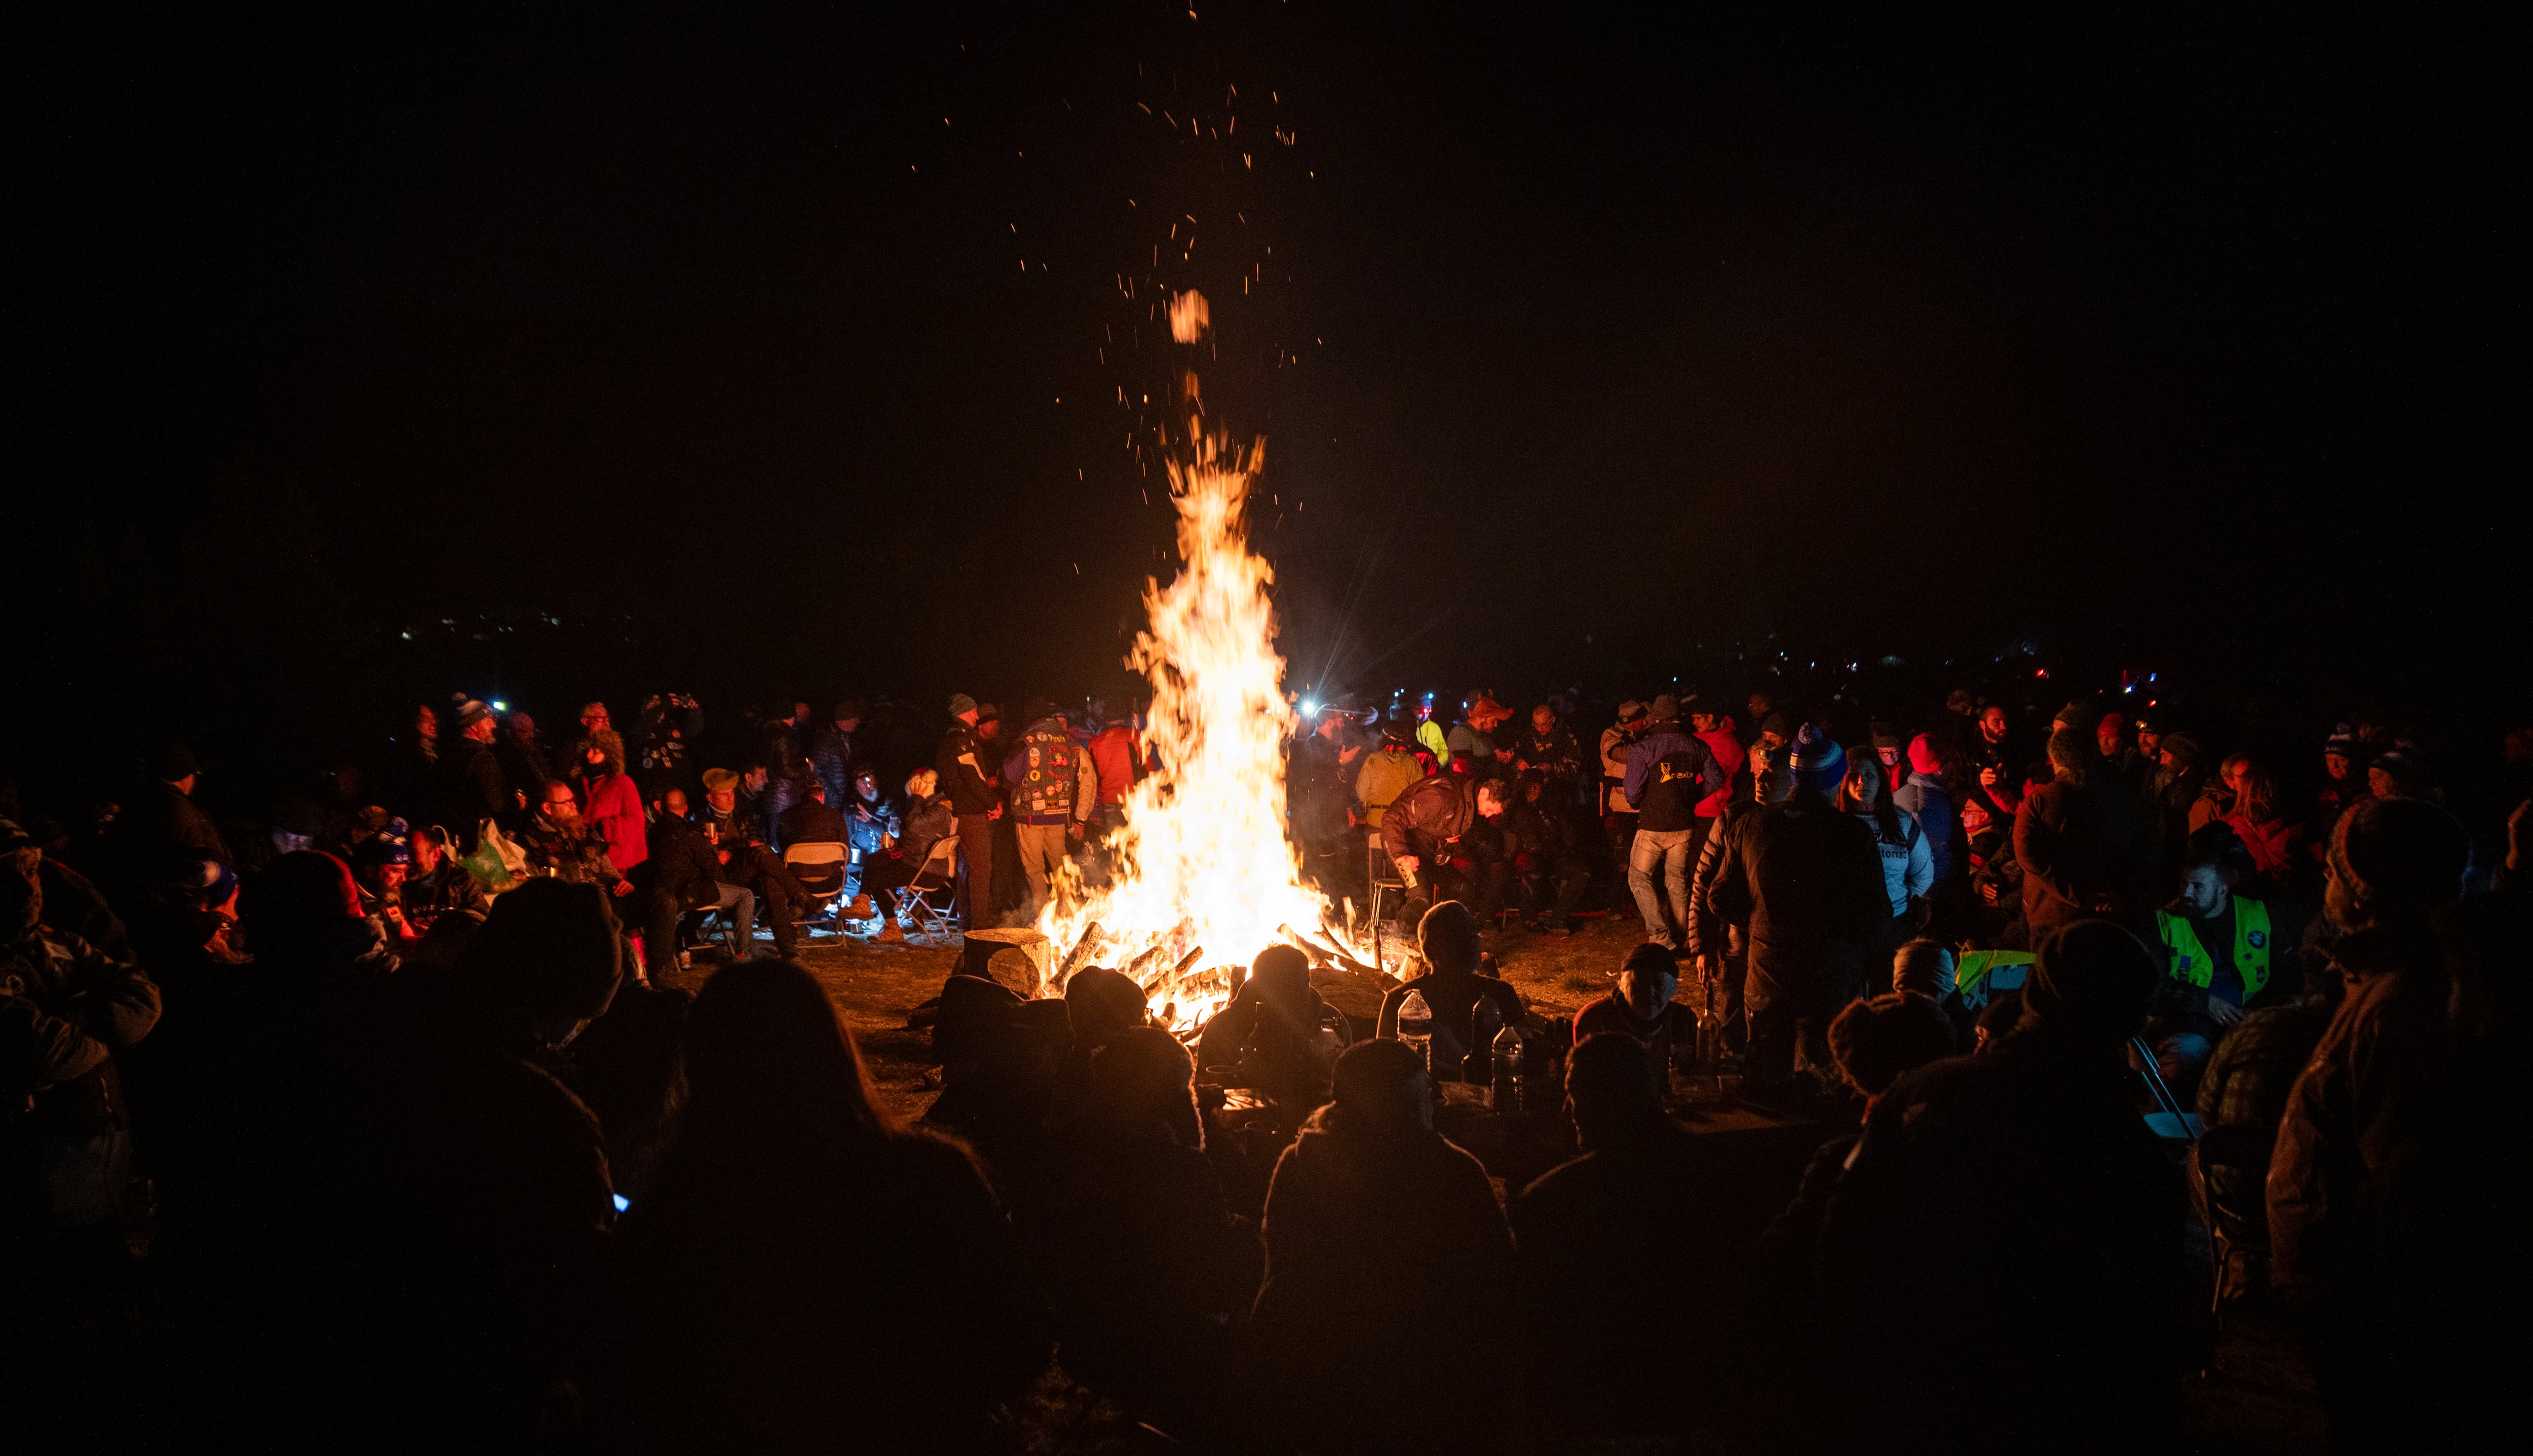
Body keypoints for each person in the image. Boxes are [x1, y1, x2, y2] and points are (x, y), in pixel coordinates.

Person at [598, 959, 1051, 1453]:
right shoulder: (929, 1176)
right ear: (835, 1049)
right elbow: (1020, 1338)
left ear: (701, 1068)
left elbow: (626, 1393)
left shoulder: (666, 1222)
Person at [1817, 921, 2191, 1451]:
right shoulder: (2126, 1150)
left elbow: (1846, 1230)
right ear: (2127, 1020)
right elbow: (2142, 1333)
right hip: (2044, 1411)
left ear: (2034, 993)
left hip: (1917, 1388)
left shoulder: (1929, 1091)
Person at [319, 878, 626, 1446]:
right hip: (469, 1388)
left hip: (334, 1356)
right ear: (559, 1004)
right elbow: (577, 1300)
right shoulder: (542, 1117)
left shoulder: (372, 1025)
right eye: (583, 1015)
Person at [2266, 795, 2470, 1446]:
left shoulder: (2400, 1004)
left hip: (2356, 1301)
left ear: (2365, 890)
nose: (2323, 881)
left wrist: (2346, 1296)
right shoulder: (2375, 979)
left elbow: (2402, 1187)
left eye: (2333, 872)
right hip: (2338, 1290)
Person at [1249, 1037, 1514, 1456]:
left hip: (1309, 1374)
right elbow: (1497, 1282)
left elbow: (1283, 1274)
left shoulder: (1300, 1163)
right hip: (1425, 1384)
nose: (1434, 1102)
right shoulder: (1452, 1175)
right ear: (1409, 1105)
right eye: (1425, 1093)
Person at [1013, 1025, 1258, 1443]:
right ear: (1167, 1096)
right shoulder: (1177, 1169)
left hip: (1081, 1337)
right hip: (1163, 1342)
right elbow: (1222, 1268)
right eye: (1183, 1090)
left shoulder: (1057, 1150)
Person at [1511, 1031, 1726, 1442]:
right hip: (1694, 1389)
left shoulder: (1553, 1201)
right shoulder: (1714, 1173)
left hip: (1595, 1404)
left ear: (1598, 1104)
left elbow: (1538, 1326)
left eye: (1575, 1096)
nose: (1568, 1109)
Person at [1706, 727, 1890, 1096]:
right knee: (1821, 1086)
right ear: (1835, 780)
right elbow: (1875, 911)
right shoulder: (1852, 834)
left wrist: (1762, 922)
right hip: (1829, 980)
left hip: (1767, 975)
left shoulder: (1752, 824)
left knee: (1766, 1084)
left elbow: (1721, 896)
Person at [2146, 852, 2284, 1091]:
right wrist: (2205, 1002)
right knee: (2181, 1065)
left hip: (2249, 1016)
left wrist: (2264, 1008)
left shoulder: (2258, 914)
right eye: (2184, 883)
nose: (2187, 893)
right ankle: (2167, 1124)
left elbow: (2286, 972)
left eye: (2198, 887)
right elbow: (2148, 989)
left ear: (2222, 890)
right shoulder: (2164, 922)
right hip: (2188, 1021)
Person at [2014, 727, 2159, 941]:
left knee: (2051, 972)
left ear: (2054, 758)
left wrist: (2076, 895)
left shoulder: (2042, 799)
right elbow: (2135, 848)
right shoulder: (2113, 797)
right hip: (2101, 911)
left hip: (2052, 914)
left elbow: (2027, 855)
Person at [1374, 900, 1529, 1079]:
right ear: (1430, 948)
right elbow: (1384, 1070)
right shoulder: (1402, 1003)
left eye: (1472, 934)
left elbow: (1530, 1061)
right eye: (1457, 936)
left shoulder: (1502, 995)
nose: (1470, 942)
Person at [1622, 695, 1726, 950]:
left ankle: (1660, 937)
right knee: (1677, 880)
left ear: (1655, 718)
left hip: (1653, 826)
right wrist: (1691, 798)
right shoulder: (1697, 746)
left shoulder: (1644, 748)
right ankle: (1684, 939)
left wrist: (1641, 804)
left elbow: (1632, 792)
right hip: (1684, 824)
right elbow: (1716, 778)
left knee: (1638, 877)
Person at [1003, 700, 1098, 924]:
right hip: (1058, 818)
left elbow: (1009, 777)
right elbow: (1088, 783)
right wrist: (1080, 818)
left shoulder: (1027, 742)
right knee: (1060, 865)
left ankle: (1043, 917)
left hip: (1029, 818)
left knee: (1035, 869)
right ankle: (1069, 913)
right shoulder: (1074, 745)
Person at [696, 768, 804, 959]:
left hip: (747, 872)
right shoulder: (702, 822)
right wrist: (742, 847)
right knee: (761, 854)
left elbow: (756, 840)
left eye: (732, 794)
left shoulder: (741, 815)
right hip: (723, 879)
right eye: (724, 795)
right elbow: (713, 857)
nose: (731, 799)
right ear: (710, 798)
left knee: (770, 880)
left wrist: (739, 848)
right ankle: (802, 897)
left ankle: (786, 944)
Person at [1378, 772, 1512, 926]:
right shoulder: (1443, 796)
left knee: (1463, 889)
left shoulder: (1467, 799)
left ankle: (1450, 940)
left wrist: (1447, 840)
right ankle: (1400, 941)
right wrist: (1400, 854)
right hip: (1404, 848)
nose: (1488, 816)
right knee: (1422, 899)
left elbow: (1438, 825)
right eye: (1490, 809)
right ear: (1485, 792)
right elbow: (1393, 817)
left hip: (1429, 852)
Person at [634, 787, 730, 979]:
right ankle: (743, 954)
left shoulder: (651, 832)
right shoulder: (690, 833)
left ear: (661, 808)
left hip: (655, 891)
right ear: (686, 808)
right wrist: (712, 849)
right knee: (736, 893)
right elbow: (714, 871)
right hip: (684, 893)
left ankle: (676, 948)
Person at [1569, 941, 1695, 1083]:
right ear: (1623, 986)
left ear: (1672, 989)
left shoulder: (1684, 1020)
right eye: (1639, 984)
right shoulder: (1595, 1019)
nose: (1649, 993)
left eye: (1659, 985)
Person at [1837, 748, 1933, 934]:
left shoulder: (1902, 822)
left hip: (1894, 922)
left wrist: (1902, 902)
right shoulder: (1833, 823)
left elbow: (1924, 872)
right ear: (1842, 780)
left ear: (1881, 779)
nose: (1862, 781)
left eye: (1870, 774)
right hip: (1848, 928)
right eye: (1854, 775)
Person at [859, 769, 954, 942]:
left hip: (928, 873)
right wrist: (898, 844)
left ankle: (892, 928)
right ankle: (862, 901)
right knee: (875, 859)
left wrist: (917, 799)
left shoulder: (941, 810)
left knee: (878, 881)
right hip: (916, 865)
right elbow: (919, 837)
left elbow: (914, 824)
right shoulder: (930, 808)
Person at [936, 694, 1002, 927]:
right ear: (964, 712)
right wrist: (992, 804)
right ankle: (980, 925)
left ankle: (965, 920)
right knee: (982, 869)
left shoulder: (954, 738)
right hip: (971, 812)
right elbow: (973, 778)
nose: (977, 715)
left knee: (965, 868)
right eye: (974, 711)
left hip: (961, 810)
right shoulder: (962, 740)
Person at [1290, 705, 1366, 893]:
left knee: (1341, 858)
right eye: (1339, 719)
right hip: (1321, 817)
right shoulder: (1313, 744)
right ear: (1329, 722)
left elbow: (1339, 781)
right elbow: (1314, 777)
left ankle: (1341, 898)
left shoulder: (1332, 744)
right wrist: (1339, 762)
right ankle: (1325, 899)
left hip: (1336, 813)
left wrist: (1348, 807)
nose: (1342, 723)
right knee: (1326, 861)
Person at [1505, 770, 1590, 933]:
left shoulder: (1553, 805)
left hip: (1554, 855)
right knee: (1531, 870)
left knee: (1581, 873)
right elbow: (1505, 828)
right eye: (1531, 786)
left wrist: (1570, 852)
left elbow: (1567, 832)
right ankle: (1530, 918)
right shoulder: (1517, 807)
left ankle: (1557, 918)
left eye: (1537, 786)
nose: (1536, 789)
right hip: (1528, 855)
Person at [436, 698, 519, 856]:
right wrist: (516, 803)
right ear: (473, 725)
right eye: (488, 721)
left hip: (454, 840)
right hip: (479, 844)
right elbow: (496, 804)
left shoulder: (447, 756)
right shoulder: (481, 758)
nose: (494, 726)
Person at [519, 778, 628, 894]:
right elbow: (533, 888)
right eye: (567, 802)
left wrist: (620, 884)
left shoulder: (586, 832)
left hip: (602, 901)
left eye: (573, 800)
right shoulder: (529, 842)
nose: (574, 806)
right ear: (548, 808)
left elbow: (608, 869)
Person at [572, 728, 648, 878]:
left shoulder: (622, 783)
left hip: (613, 863)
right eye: (589, 750)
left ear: (610, 756)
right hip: (580, 861)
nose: (589, 755)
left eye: (596, 752)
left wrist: (607, 827)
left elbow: (637, 821)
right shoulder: (579, 783)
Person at [1596, 699, 1648, 914]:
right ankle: (1613, 904)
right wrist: (1651, 748)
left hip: (1638, 806)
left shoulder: (1643, 736)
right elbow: (1625, 756)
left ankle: (1632, 902)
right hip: (1616, 807)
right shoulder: (1610, 736)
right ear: (1630, 721)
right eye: (1641, 719)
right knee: (1622, 860)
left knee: (1640, 859)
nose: (1645, 722)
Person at [1890, 732, 1959, 885]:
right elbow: (1929, 863)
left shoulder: (1903, 795)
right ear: (1940, 767)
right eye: (1950, 761)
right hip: (1928, 893)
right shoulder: (1928, 806)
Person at [1355, 715, 1425, 830]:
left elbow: (1362, 793)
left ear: (1383, 738)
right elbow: (1420, 795)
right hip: (1402, 823)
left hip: (1376, 822)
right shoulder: (1412, 762)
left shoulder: (1373, 760)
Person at [1510, 701, 1584, 804]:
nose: (1540, 729)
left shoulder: (1567, 738)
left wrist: (1551, 768)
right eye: (1537, 725)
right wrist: (1519, 762)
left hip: (1558, 795)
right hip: (1528, 794)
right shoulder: (1527, 737)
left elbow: (1574, 769)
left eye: (1544, 725)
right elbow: (1513, 755)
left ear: (1553, 720)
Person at [808, 699, 863, 814]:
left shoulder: (848, 738)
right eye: (855, 717)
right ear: (846, 720)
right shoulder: (826, 741)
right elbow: (815, 771)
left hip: (846, 799)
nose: (858, 721)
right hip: (832, 803)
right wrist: (833, 793)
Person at [1446, 693, 1514, 779]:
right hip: (1470, 790)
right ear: (1483, 717)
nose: (1496, 725)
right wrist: (1494, 757)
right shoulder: (1460, 733)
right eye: (1493, 720)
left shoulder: (1484, 734)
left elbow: (1487, 763)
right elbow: (1463, 766)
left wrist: (1503, 759)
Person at [496, 711, 555, 803]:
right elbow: (511, 786)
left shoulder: (533, 751)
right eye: (524, 731)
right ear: (509, 732)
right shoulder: (504, 757)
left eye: (532, 730)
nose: (531, 735)